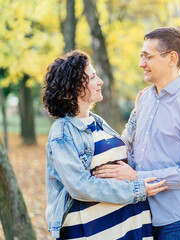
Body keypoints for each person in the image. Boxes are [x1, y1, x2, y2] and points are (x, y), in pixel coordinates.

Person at [94, 27, 180, 239]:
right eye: (141, 56)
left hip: (175, 221)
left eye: (147, 56)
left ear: (171, 58)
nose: (141, 64)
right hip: (137, 218)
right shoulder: (144, 99)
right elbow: (131, 150)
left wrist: (139, 178)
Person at [43, 50, 168, 239]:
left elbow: (119, 152)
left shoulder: (96, 121)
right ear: (74, 87)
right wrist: (136, 190)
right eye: (93, 77)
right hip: (96, 230)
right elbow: (80, 186)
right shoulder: (62, 131)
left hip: (127, 223)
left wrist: (135, 116)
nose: (100, 81)